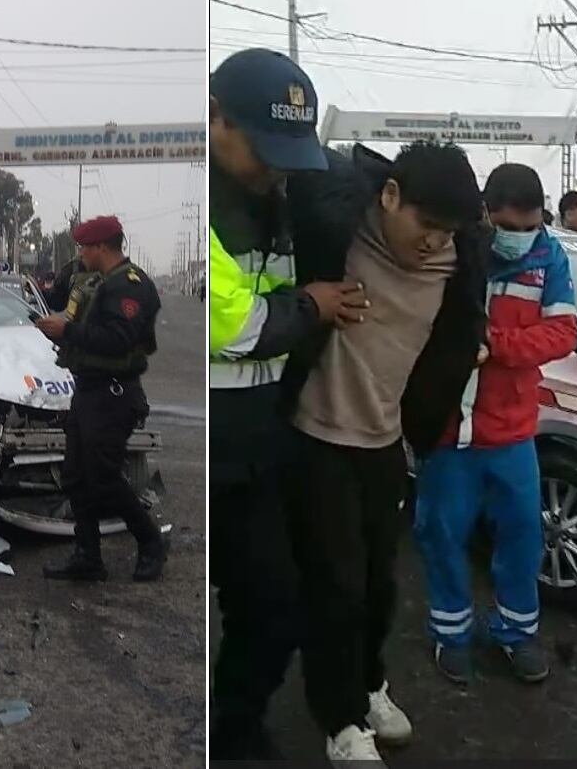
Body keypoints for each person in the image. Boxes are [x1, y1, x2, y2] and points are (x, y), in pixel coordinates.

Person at [280, 140, 489, 764]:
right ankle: (340, 720)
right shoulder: (335, 227)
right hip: (315, 435)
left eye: (446, 231)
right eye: (424, 225)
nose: (432, 242)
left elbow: (457, 336)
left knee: (378, 584)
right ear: (391, 197)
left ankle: (369, 685)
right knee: (336, 585)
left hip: (384, 443)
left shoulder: (457, 262)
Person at [208, 48, 370, 760]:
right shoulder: (210, 201)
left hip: (261, 444)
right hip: (213, 449)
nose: (276, 167)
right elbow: (234, 325)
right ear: (215, 120)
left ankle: (233, 728)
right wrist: (310, 304)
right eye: (264, 150)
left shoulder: (274, 193)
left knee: (273, 604)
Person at [413, 163, 577, 687]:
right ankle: (452, 633)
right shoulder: (451, 251)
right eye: (511, 226)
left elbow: (562, 333)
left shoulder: (549, 257)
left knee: (524, 536)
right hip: (448, 430)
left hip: (511, 431)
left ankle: (515, 633)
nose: (522, 238)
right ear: (485, 213)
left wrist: (496, 348)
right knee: (441, 534)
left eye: (531, 225)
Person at [34, 215, 168, 583]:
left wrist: (69, 329)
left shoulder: (129, 285)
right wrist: (59, 332)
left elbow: (118, 340)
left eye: (84, 247)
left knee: (105, 476)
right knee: (76, 475)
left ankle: (151, 542)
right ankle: (88, 555)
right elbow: (88, 333)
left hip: (114, 394)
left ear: (102, 247)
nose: (80, 253)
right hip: (89, 391)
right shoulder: (97, 282)